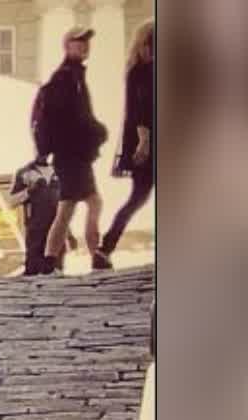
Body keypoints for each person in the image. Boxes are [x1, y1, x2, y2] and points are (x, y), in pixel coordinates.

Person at [34, 26, 112, 272]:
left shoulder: (73, 75)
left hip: (72, 155)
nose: (84, 46)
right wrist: (96, 131)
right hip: (71, 156)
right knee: (88, 203)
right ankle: (95, 256)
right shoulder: (66, 77)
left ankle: (51, 261)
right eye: (78, 42)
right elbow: (71, 118)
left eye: (86, 42)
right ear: (67, 46)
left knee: (70, 207)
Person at [100, 20, 155, 260]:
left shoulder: (135, 69)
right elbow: (140, 109)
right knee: (138, 198)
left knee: (137, 198)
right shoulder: (145, 70)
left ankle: (106, 247)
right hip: (149, 142)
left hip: (144, 141)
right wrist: (144, 140)